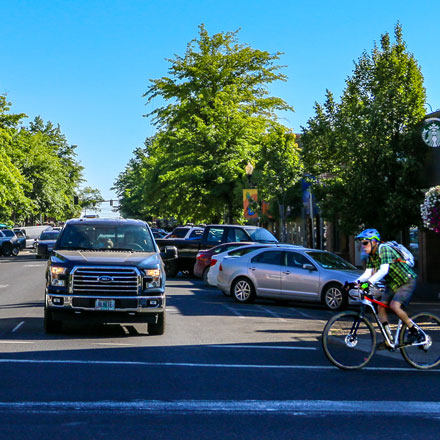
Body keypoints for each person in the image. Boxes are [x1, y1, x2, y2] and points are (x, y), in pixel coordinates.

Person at [355, 228, 419, 348]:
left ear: (374, 242)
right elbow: (368, 273)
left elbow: (384, 270)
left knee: (394, 305)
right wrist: (353, 283)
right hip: (392, 284)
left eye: (365, 242)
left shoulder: (383, 249)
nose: (362, 246)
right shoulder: (371, 256)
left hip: (406, 281)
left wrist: (368, 283)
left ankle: (414, 330)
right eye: (361, 243)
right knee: (381, 307)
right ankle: (389, 340)